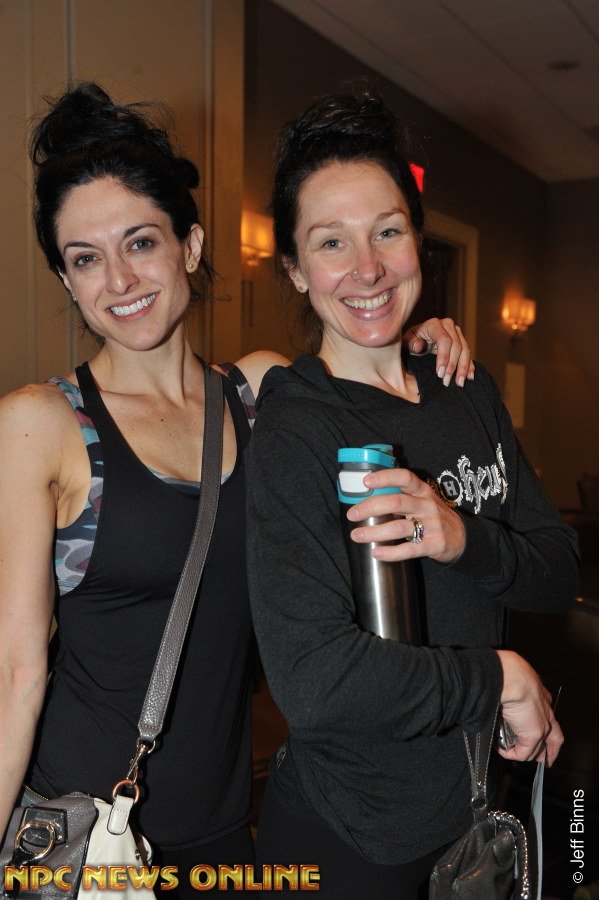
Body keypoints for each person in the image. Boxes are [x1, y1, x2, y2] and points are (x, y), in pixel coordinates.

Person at [0, 82, 473, 893]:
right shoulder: (40, 423)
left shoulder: (260, 395)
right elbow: (15, 672)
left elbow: (373, 394)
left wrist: (415, 342)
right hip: (82, 843)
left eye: (140, 242)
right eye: (85, 258)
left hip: (224, 837)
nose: (118, 278)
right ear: (67, 280)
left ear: (190, 245)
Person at [245, 91, 580, 899]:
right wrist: (498, 678)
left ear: (417, 241)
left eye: (387, 231)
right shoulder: (298, 429)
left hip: (470, 810)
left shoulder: (464, 384)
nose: (366, 268)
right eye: (331, 241)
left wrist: (462, 536)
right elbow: (316, 681)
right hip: (350, 836)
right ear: (294, 268)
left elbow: (557, 571)